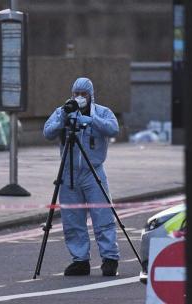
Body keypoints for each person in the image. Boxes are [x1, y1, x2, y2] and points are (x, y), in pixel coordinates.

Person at [43, 77, 120, 276]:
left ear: (90, 95)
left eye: (83, 94)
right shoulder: (63, 111)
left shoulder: (103, 112)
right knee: (72, 219)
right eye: (75, 93)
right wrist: (62, 119)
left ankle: (110, 258)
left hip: (93, 171)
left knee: (102, 216)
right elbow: (47, 132)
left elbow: (113, 129)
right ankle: (80, 260)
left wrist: (91, 120)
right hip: (69, 173)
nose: (79, 97)